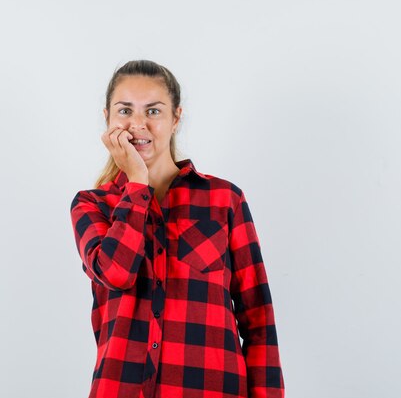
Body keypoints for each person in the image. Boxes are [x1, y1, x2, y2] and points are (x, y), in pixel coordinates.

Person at [69, 60, 285, 398]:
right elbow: (116, 273)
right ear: (108, 118)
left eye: (153, 111)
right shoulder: (92, 205)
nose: (137, 124)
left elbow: (258, 321)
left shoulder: (224, 200)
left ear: (176, 118)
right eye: (125, 110)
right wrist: (137, 183)